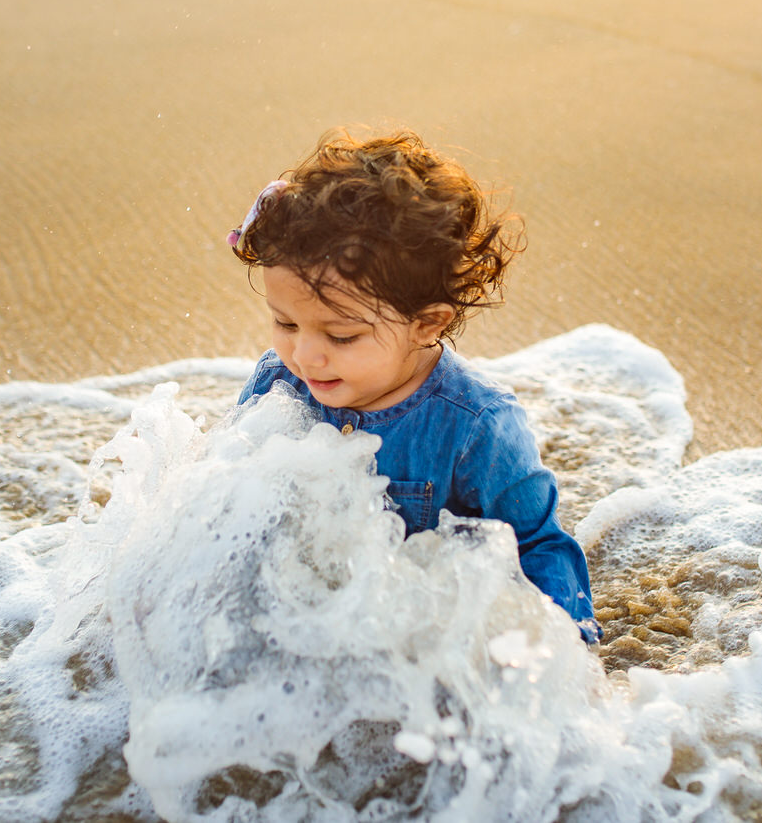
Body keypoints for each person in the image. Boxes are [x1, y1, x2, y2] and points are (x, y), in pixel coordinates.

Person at [229, 129, 600, 643]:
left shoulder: (476, 425)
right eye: (286, 324)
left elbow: (537, 544)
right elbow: (229, 502)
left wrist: (564, 654)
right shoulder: (278, 383)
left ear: (427, 324)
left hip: (424, 649)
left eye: (341, 334)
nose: (304, 355)